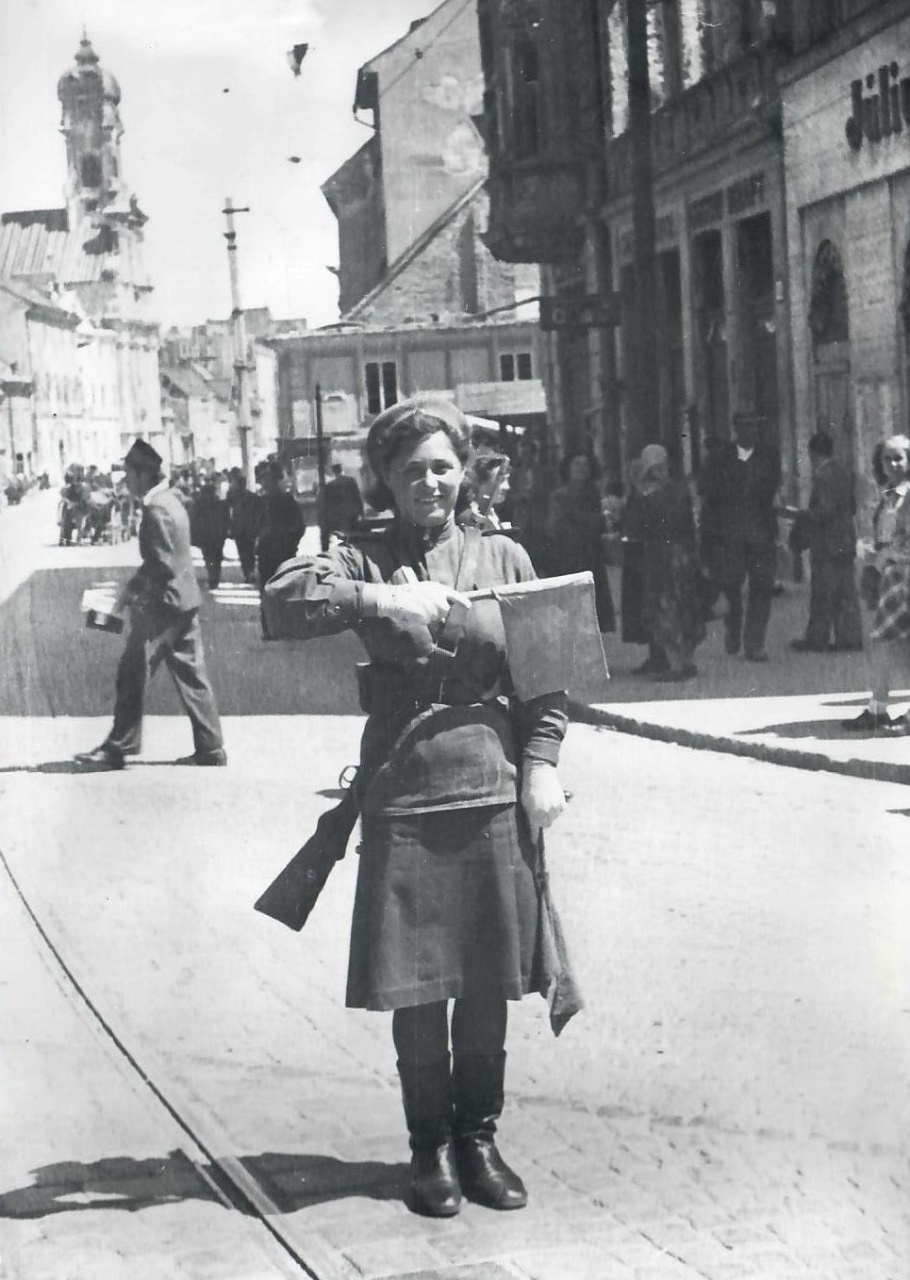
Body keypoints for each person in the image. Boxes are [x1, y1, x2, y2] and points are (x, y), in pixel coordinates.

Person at [262, 397, 570, 1218]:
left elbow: (548, 674)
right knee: (419, 984)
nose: (429, 483)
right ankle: (429, 1146)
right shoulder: (361, 556)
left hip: (491, 789)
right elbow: (282, 601)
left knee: (487, 980)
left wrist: (542, 766)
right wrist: (380, 602)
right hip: (403, 791)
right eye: (411, 471)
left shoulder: (504, 555)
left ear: (463, 472)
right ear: (387, 481)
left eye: (442, 467)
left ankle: (479, 1140)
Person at [75, 439, 226, 770]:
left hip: (164, 607)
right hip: (184, 599)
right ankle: (211, 747)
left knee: (132, 672)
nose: (126, 480)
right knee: (191, 673)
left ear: (143, 474)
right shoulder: (171, 500)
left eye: (129, 473)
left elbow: (161, 565)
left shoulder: (156, 509)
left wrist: (131, 595)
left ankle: (117, 748)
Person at [842, 434, 910, 732]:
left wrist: (881, 556)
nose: (893, 464)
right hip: (892, 577)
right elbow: (887, 537)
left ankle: (878, 708)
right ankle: (878, 708)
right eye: (887, 459)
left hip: (903, 576)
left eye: (899, 458)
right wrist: (872, 550)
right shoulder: (890, 495)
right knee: (896, 643)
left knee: (884, 641)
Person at [700, 414, 781, 662]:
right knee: (731, 586)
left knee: (762, 587)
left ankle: (755, 643)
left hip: (761, 533)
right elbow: (707, 495)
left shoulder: (768, 456)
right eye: (747, 425)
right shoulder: (719, 458)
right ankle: (733, 628)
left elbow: (774, 489)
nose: (752, 430)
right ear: (735, 429)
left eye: (755, 425)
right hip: (729, 536)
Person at [623, 444, 704, 681]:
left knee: (669, 609)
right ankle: (679, 661)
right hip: (672, 556)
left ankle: (678, 663)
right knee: (675, 608)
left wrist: (639, 493)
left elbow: (639, 525)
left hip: (665, 557)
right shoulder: (675, 490)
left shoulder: (660, 492)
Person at [788, 431, 862, 654]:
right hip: (845, 540)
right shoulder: (844, 472)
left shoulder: (823, 476)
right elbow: (852, 506)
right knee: (846, 593)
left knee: (822, 594)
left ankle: (817, 639)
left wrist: (800, 515)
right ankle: (849, 638)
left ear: (813, 453)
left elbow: (824, 512)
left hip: (826, 544)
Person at [545, 451, 616, 634]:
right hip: (568, 556)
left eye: (585, 465)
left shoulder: (593, 494)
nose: (581, 469)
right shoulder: (560, 495)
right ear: (568, 468)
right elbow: (555, 526)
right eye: (577, 464)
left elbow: (599, 523)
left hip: (591, 556)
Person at [256, 461, 305, 589]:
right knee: (267, 587)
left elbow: (299, 527)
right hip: (266, 552)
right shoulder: (261, 502)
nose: (265, 485)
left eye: (268, 481)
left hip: (284, 552)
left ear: (275, 482)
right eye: (264, 481)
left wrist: (290, 542)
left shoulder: (287, 501)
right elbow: (255, 525)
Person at [190, 478, 231, 589]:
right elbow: (226, 519)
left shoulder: (199, 504)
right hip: (218, 534)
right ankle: (215, 575)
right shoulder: (221, 504)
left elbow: (194, 519)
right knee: (217, 556)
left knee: (208, 556)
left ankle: (212, 574)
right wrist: (226, 530)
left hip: (205, 535)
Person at [458, 453, 511, 532]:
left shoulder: (492, 515)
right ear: (481, 484)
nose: (507, 487)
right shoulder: (467, 518)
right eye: (501, 480)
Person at [227, 469, 261, 583]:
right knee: (248, 552)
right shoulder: (252, 497)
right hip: (247, 529)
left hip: (242, 529)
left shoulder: (233, 496)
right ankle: (249, 572)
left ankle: (248, 572)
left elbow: (229, 512)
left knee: (244, 552)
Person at [323, 462, 364, 535]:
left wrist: (329, 518)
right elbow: (357, 497)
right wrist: (361, 512)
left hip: (339, 514)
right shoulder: (350, 480)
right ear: (341, 470)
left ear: (333, 472)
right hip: (352, 511)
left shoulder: (330, 485)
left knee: (345, 533)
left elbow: (328, 503)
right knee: (354, 532)